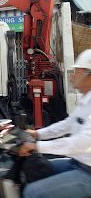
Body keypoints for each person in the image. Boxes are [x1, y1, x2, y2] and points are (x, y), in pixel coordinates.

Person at [20, 49, 91, 198]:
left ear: (88, 76)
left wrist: (37, 145)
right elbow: (67, 124)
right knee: (40, 170)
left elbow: (80, 143)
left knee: (32, 192)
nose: (73, 75)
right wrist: (38, 134)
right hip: (76, 162)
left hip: (87, 173)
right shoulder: (86, 99)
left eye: (77, 71)